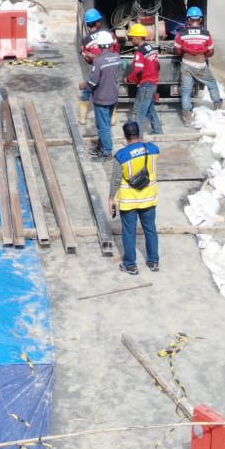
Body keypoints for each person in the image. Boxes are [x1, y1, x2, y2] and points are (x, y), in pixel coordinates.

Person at [110, 120, 160, 275]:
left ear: (125, 136)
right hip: (149, 197)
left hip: (129, 200)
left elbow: (116, 179)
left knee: (129, 232)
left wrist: (111, 198)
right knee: (150, 229)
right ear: (139, 133)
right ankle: (153, 262)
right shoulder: (153, 149)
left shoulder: (121, 155)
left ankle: (130, 265)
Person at [173, 6, 223, 124]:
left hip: (186, 64)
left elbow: (176, 50)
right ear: (200, 19)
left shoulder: (182, 33)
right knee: (211, 83)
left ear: (188, 19)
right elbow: (211, 51)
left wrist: (185, 52)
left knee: (186, 91)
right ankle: (217, 107)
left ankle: (187, 118)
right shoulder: (206, 34)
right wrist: (202, 54)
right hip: (200, 64)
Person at [79, 35, 122, 157]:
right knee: (105, 124)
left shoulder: (98, 61)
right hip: (113, 96)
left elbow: (93, 82)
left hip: (101, 98)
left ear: (99, 45)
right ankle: (101, 146)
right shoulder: (116, 57)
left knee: (103, 126)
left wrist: (84, 87)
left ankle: (107, 151)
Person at [126, 22, 162, 136]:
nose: (131, 40)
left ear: (137, 37)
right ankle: (158, 131)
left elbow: (138, 70)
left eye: (132, 37)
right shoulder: (150, 48)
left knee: (139, 112)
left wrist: (129, 79)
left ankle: (138, 137)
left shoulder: (140, 52)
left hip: (145, 84)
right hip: (152, 83)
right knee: (150, 109)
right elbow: (158, 66)